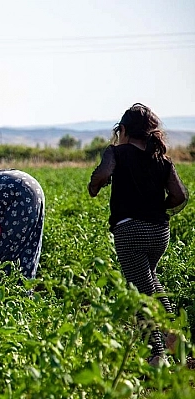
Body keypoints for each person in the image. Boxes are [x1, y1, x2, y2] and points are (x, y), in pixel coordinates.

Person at [88, 103, 189, 367]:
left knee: (139, 293)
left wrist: (95, 185)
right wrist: (156, 207)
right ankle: (174, 340)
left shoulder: (117, 152)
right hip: (160, 232)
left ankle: (157, 355)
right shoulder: (162, 160)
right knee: (150, 284)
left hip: (130, 231)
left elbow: (103, 173)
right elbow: (180, 196)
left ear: (123, 130)